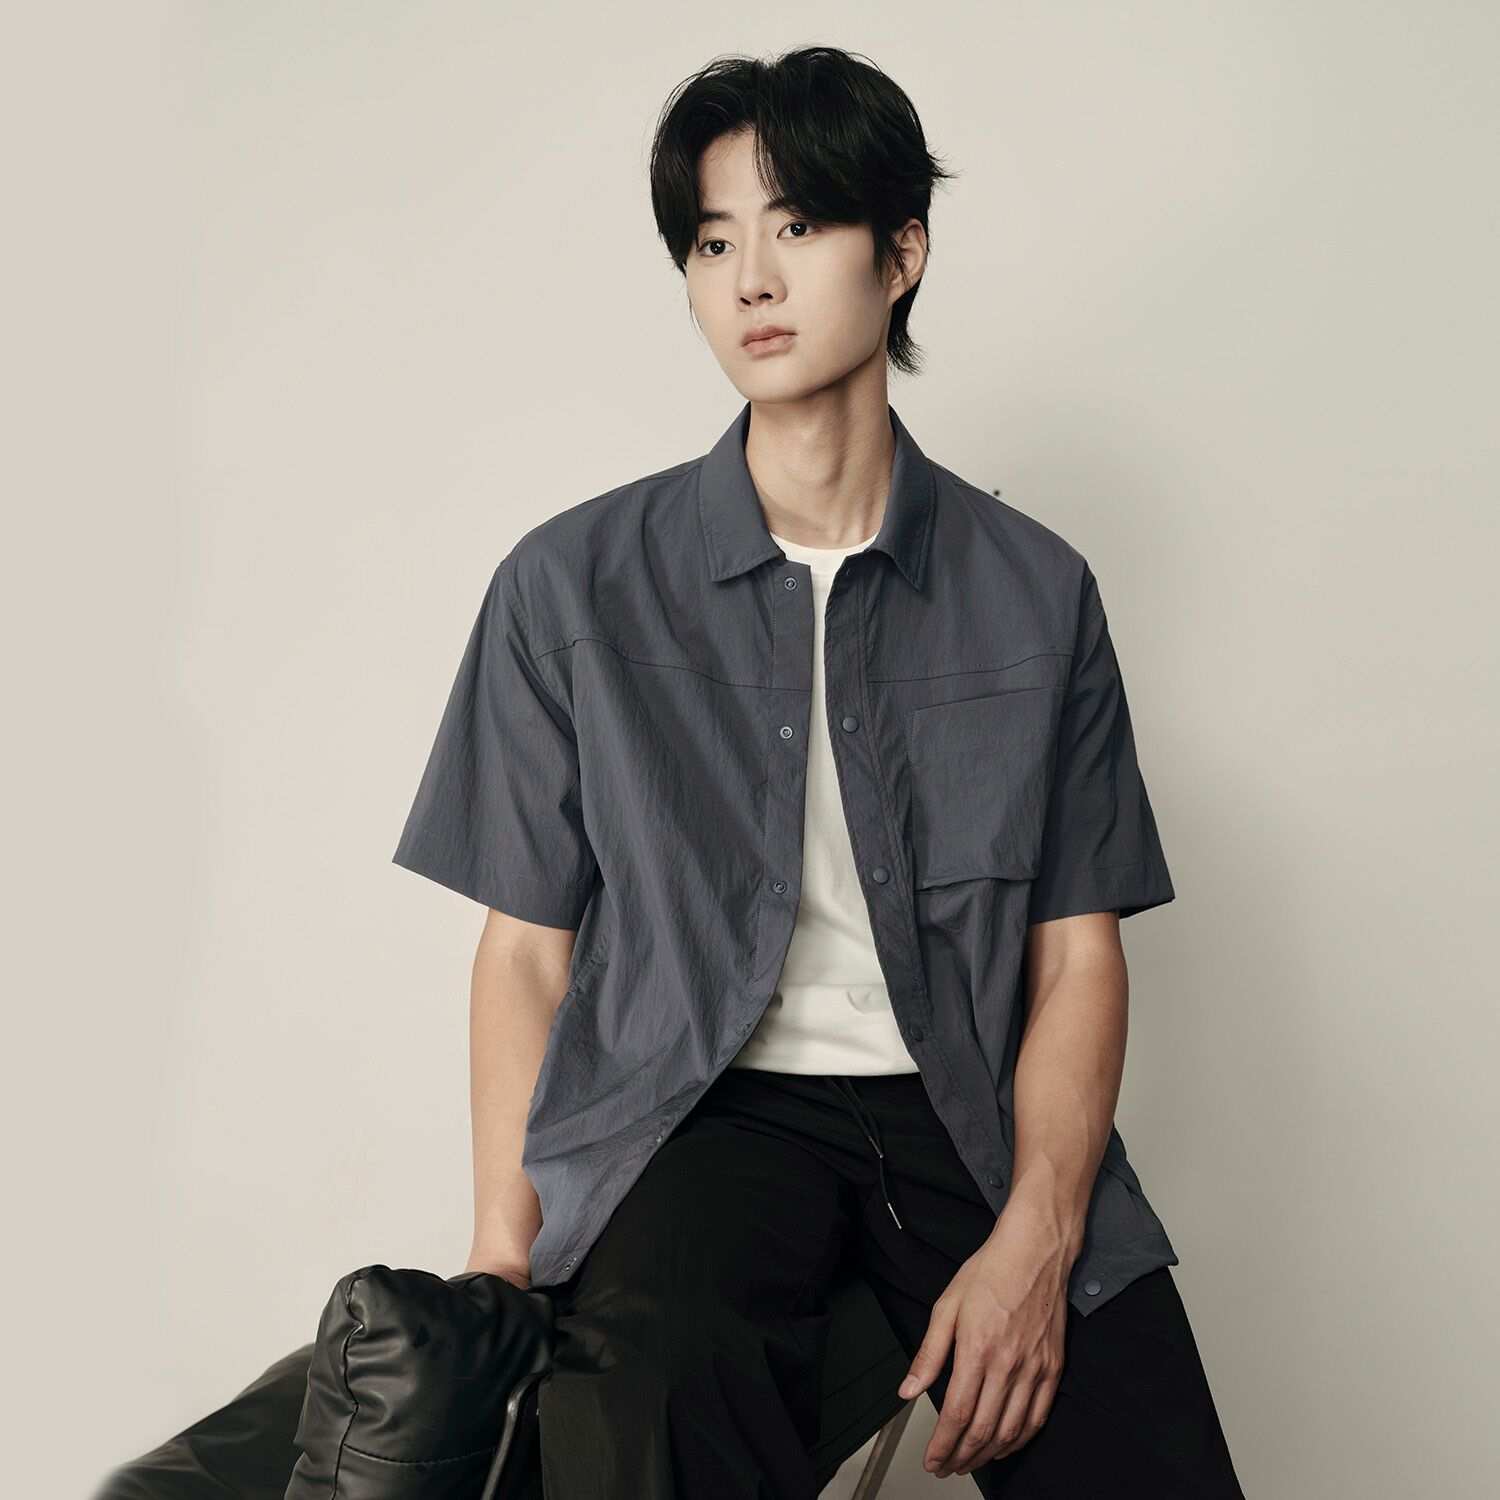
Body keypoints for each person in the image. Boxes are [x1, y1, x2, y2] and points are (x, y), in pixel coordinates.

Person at [391, 44, 1245, 1499]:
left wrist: (1039, 1240)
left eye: (795, 225)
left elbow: (1076, 953)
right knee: (653, 1405)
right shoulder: (570, 586)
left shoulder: (1038, 593)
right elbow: (525, 950)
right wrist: (501, 1256)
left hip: (966, 1104)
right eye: (712, 241)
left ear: (901, 253)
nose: (751, 282)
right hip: (706, 1114)